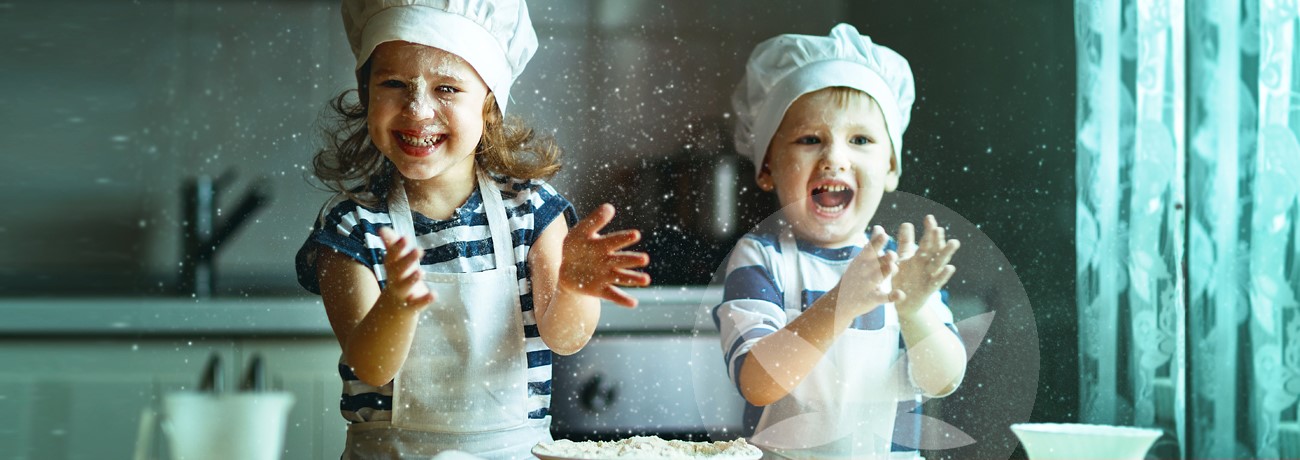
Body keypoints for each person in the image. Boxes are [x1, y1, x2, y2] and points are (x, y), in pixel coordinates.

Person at [294, 1, 650, 458]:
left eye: (446, 87)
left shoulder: (532, 210)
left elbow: (563, 338)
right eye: (394, 83)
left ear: (489, 105)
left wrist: (573, 287)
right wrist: (398, 306)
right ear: (365, 95)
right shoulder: (352, 225)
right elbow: (372, 367)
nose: (418, 108)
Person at [714, 24, 968, 459]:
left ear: (890, 167)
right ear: (767, 166)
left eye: (861, 140)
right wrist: (841, 303)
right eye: (810, 139)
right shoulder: (762, 259)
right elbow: (756, 383)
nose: (835, 157)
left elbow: (941, 378)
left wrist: (913, 311)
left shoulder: (902, 266)